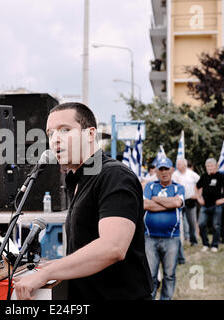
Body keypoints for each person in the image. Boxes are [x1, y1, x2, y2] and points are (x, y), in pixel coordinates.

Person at [13, 102, 153, 300]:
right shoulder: (77, 179)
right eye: (50, 133)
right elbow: (87, 243)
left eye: (65, 130)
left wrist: (47, 273)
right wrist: (57, 265)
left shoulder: (114, 175)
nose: (55, 140)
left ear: (90, 134)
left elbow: (112, 247)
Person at [143, 157, 185, 300]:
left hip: (171, 238)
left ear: (172, 170)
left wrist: (156, 199)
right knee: (151, 274)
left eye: (166, 168)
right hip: (150, 237)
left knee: (169, 274)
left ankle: (166, 298)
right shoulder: (150, 186)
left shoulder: (179, 188)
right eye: (160, 169)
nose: (164, 172)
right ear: (156, 171)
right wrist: (169, 203)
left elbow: (178, 202)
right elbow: (145, 205)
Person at [196, 158, 224, 252]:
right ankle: (205, 244)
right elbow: (196, 187)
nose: (210, 168)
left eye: (211, 166)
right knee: (201, 224)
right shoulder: (204, 176)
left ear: (216, 166)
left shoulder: (220, 176)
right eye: (208, 166)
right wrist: (199, 198)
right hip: (205, 206)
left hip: (216, 205)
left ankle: (215, 245)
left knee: (216, 225)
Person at [172, 158, 200, 246]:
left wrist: (197, 195)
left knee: (192, 221)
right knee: (178, 221)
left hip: (190, 200)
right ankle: (180, 240)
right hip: (178, 201)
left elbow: (201, 185)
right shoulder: (174, 175)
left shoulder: (192, 174)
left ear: (184, 165)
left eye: (180, 164)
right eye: (177, 164)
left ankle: (193, 240)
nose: (178, 166)